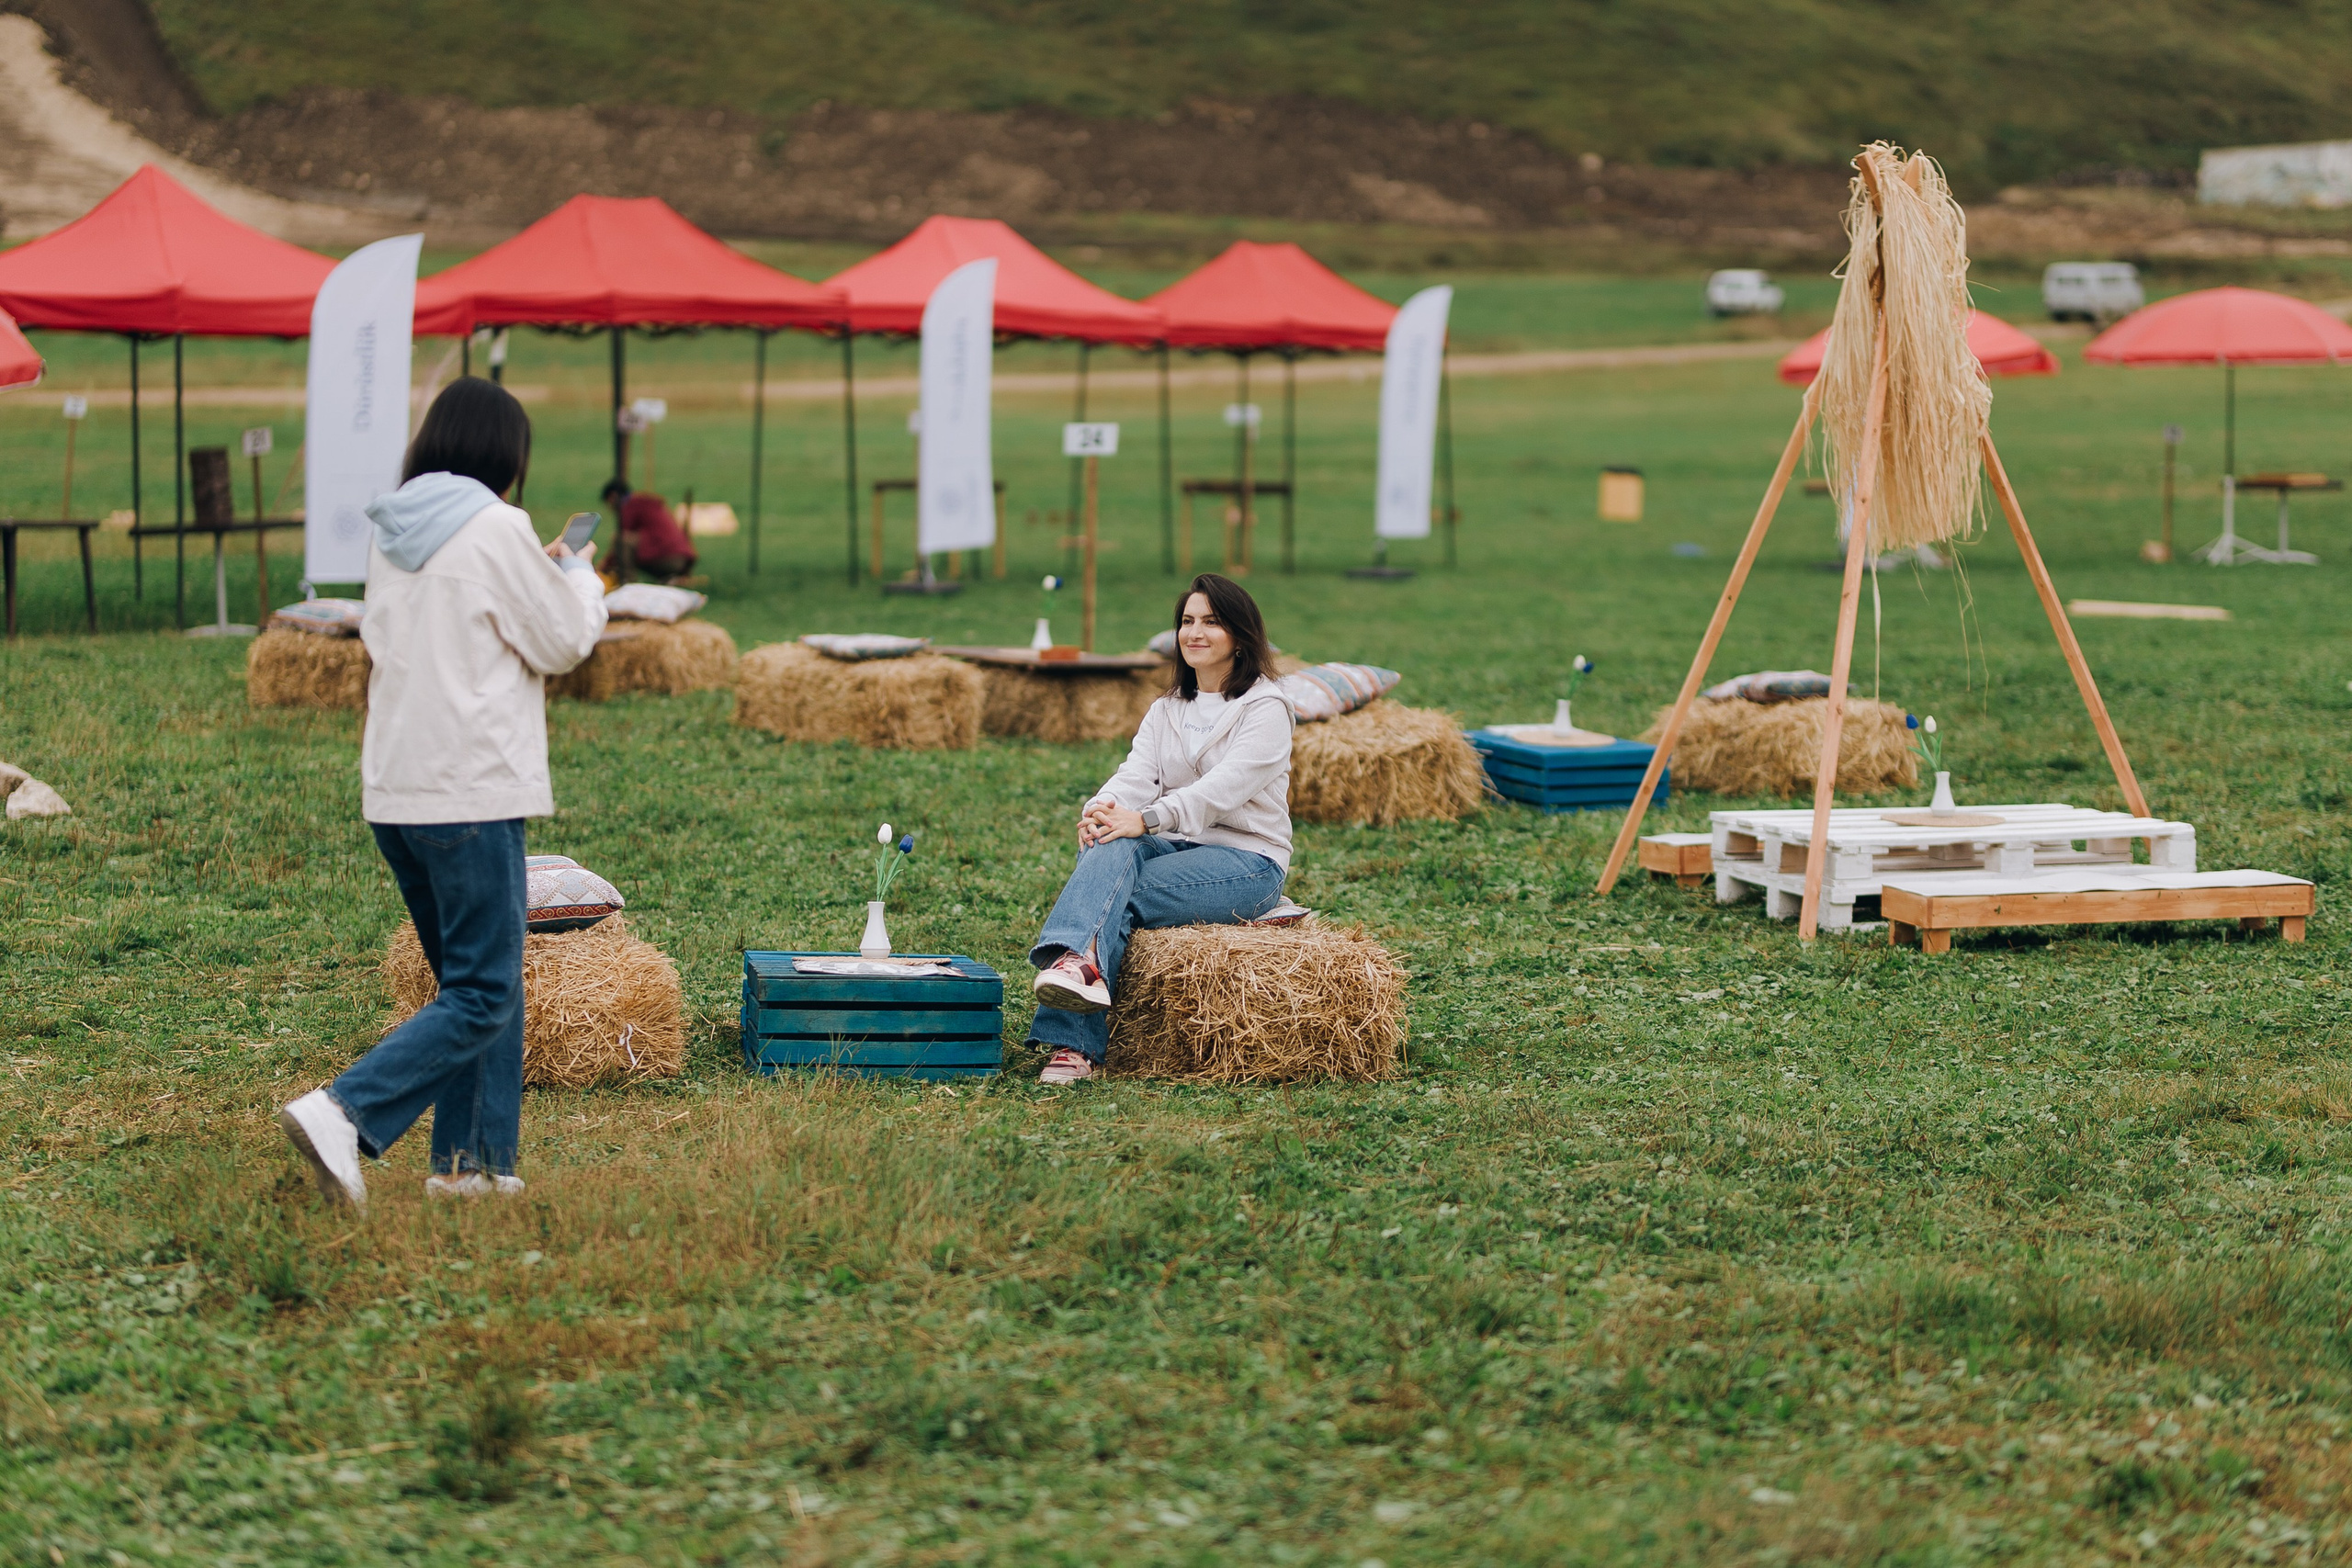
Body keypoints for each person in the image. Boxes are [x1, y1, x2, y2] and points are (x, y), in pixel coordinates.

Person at [277, 378, 606, 1208]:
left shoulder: (393, 529)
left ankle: (473, 1167)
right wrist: (581, 579)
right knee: (486, 988)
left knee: (474, 979)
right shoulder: (498, 526)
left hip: (398, 791)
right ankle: (343, 1114)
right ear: (505, 455)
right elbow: (564, 642)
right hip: (472, 788)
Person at [1026, 573, 1294, 1085]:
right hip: (1171, 847)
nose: (1195, 632)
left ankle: (1072, 1039)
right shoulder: (1168, 708)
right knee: (1109, 842)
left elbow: (1222, 790)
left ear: (1240, 635)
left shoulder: (1267, 709)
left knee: (1108, 890)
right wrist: (1102, 809)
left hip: (1246, 862)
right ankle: (1077, 972)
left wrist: (1145, 818)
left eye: (1211, 622)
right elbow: (1135, 777)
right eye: (1187, 622)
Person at [598, 478, 697, 582]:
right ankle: (669, 579)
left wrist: (602, 567)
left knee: (621, 541)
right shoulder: (644, 502)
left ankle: (627, 584)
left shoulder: (630, 506)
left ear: (613, 497)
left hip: (668, 559)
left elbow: (619, 545)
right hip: (682, 559)